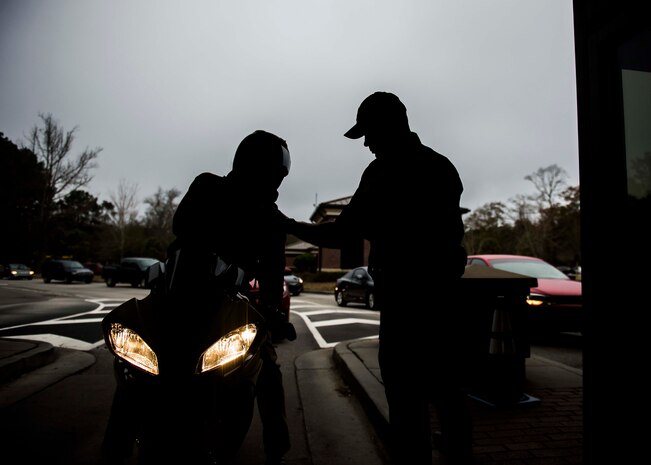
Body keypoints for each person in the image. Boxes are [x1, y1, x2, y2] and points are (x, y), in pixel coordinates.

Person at [285, 92, 473, 465]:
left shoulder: (382, 173)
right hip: (446, 303)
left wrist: (286, 225)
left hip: (405, 307)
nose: (367, 143)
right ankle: (459, 453)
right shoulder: (442, 167)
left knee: (406, 400)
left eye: (369, 133)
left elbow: (341, 234)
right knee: (449, 392)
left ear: (389, 126)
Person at [171, 129, 295, 465]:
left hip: (229, 305)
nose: (277, 183)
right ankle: (119, 436)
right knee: (128, 353)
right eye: (274, 173)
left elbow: (273, 273)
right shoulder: (208, 186)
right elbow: (182, 228)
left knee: (266, 366)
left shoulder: (270, 217)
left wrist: (274, 314)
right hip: (176, 300)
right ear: (252, 165)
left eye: (279, 176)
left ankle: (277, 447)